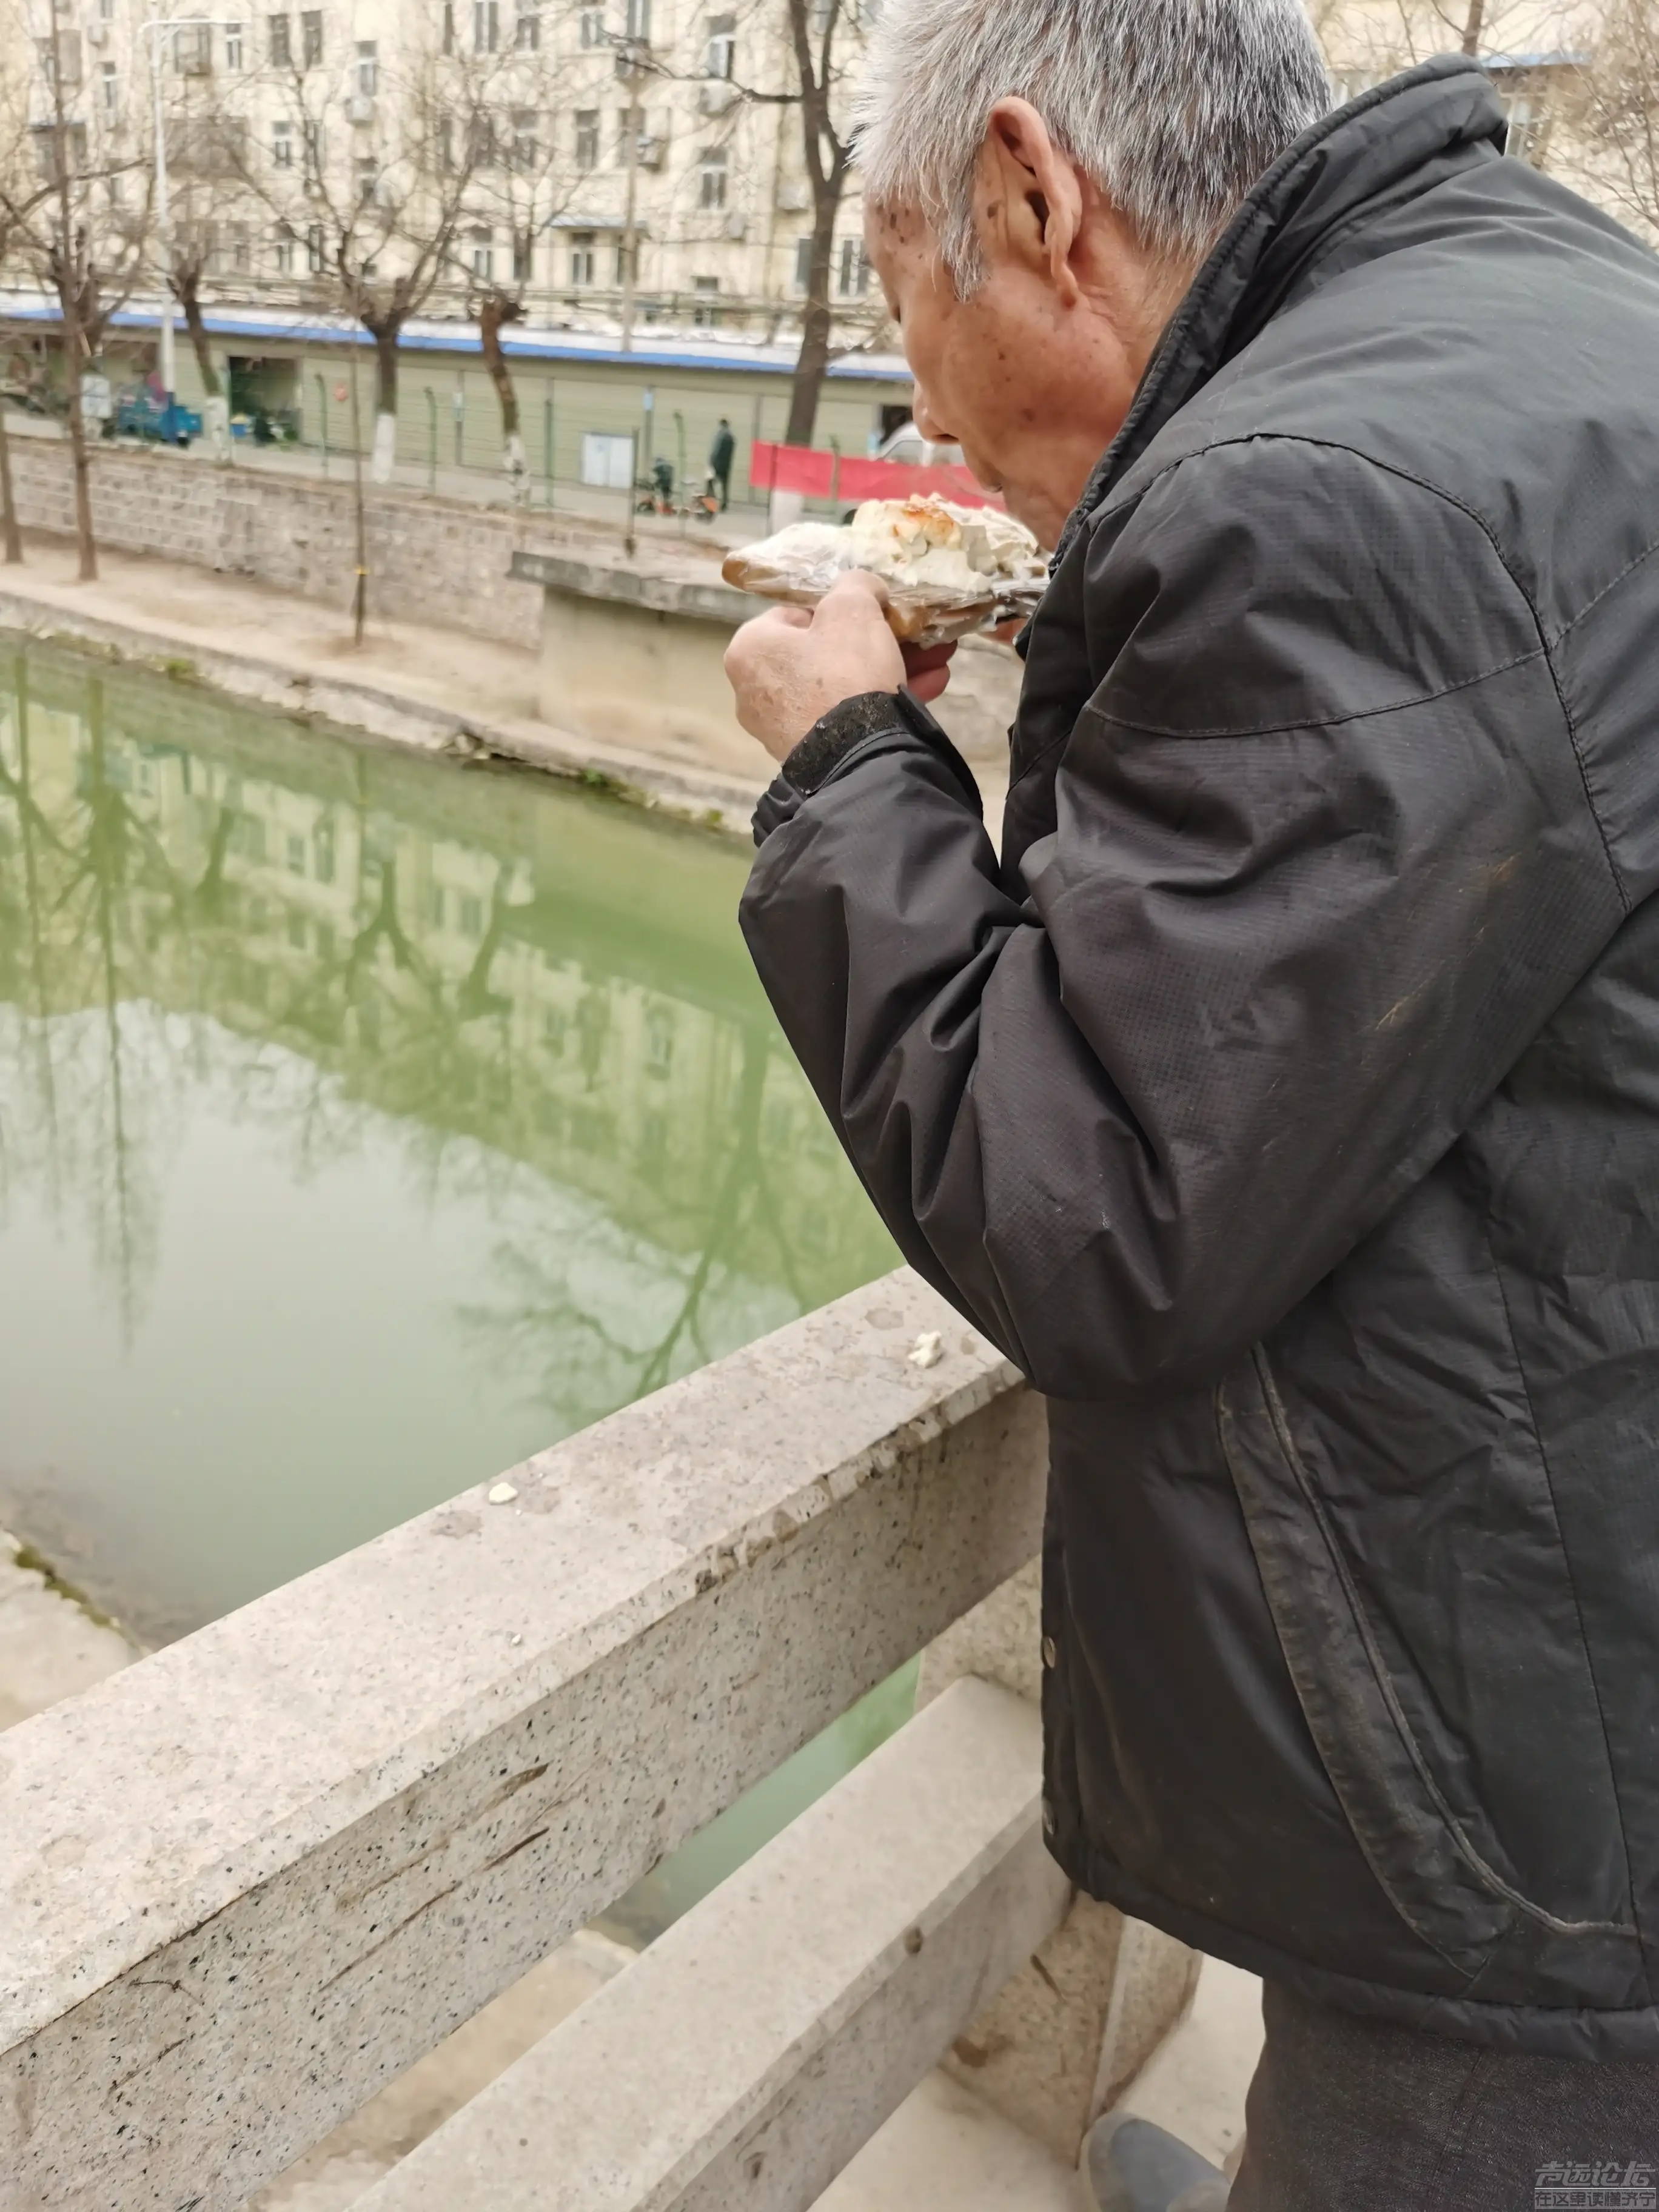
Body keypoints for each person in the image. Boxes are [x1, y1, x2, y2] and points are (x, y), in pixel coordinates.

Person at [725, 2, 1659, 2206]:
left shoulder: (1313, 505)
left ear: (1033, 200)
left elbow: (1099, 1208)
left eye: (894, 284)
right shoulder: (1545, 315)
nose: (913, 390)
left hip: (1551, 1833)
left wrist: (845, 766)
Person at [709, 416, 736, 509]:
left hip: (718, 463)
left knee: (710, 482)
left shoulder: (720, 435)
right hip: (727, 465)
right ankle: (724, 504)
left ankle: (711, 502)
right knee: (725, 485)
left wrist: (712, 462)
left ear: (721, 424)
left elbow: (716, 450)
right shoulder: (731, 437)